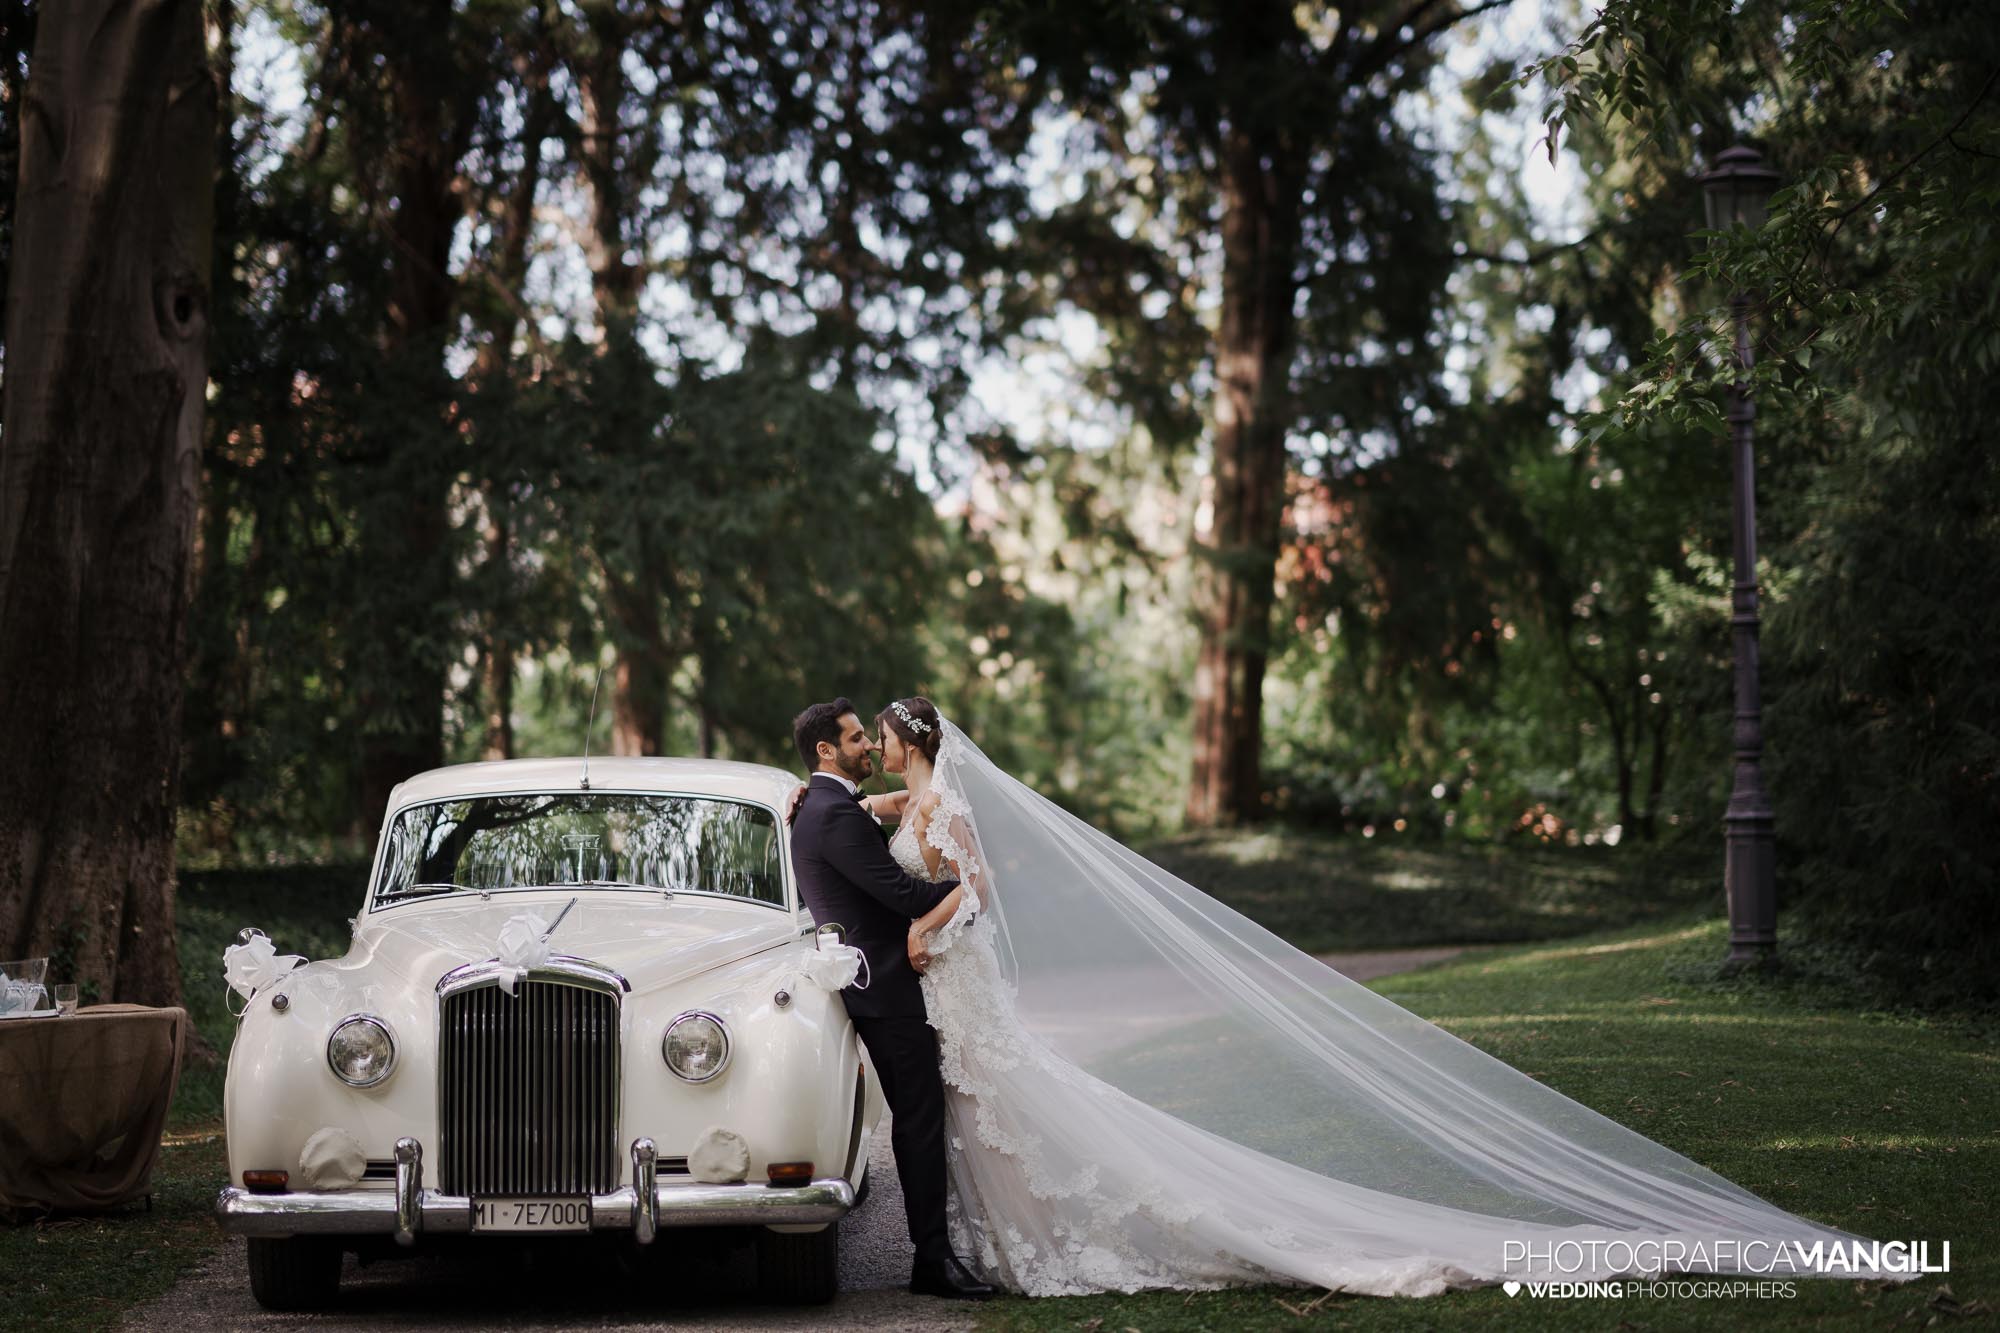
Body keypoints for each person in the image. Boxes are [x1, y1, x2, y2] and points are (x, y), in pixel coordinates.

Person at [870, 695, 1913, 1298]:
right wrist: (869, 809)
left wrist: (923, 926)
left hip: (953, 971)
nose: (875, 751)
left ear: (910, 738)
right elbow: (901, 819)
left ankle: (1032, 1245)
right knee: (988, 1105)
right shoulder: (913, 794)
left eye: (882, 739)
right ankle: (993, 1243)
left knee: (1002, 1098)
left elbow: (978, 884)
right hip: (947, 981)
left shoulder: (946, 800)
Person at [785, 698, 995, 1301]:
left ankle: (937, 1250)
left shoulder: (826, 804)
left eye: (872, 738)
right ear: (827, 751)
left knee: (922, 1118)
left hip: (883, 983)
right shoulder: (832, 814)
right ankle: (932, 1259)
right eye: (857, 740)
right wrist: (967, 887)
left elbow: (897, 808)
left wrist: (869, 801)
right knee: (921, 1122)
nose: (869, 748)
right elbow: (904, 893)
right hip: (887, 985)